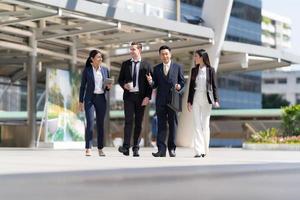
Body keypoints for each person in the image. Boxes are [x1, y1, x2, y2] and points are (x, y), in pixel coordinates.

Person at [146, 45, 185, 157]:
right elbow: (154, 85)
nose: (165, 56)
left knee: (173, 125)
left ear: (170, 54)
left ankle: (172, 149)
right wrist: (150, 82)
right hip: (161, 101)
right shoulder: (157, 68)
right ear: (160, 56)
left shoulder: (178, 67)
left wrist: (179, 86)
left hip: (174, 100)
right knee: (161, 125)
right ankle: (161, 150)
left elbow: (182, 82)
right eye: (162, 54)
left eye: (166, 53)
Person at [117, 42, 153, 157]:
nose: (131, 51)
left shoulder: (147, 65)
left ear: (140, 50)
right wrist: (124, 85)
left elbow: (151, 84)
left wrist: (148, 97)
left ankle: (136, 148)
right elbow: (120, 80)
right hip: (129, 97)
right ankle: (126, 147)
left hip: (141, 98)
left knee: (138, 123)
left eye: (133, 49)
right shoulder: (125, 64)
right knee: (128, 122)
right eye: (130, 49)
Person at [79, 49, 112, 157]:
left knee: (100, 124)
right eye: (98, 57)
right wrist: (81, 101)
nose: (101, 59)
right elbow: (82, 87)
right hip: (90, 99)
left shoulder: (105, 70)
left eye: (101, 57)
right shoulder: (87, 70)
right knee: (89, 123)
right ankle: (88, 147)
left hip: (101, 99)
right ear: (92, 59)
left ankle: (100, 148)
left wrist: (108, 87)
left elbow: (106, 87)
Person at [187, 49, 220, 158]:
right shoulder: (194, 70)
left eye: (196, 56)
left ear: (202, 57)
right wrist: (189, 101)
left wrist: (216, 100)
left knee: (205, 125)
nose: (195, 58)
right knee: (197, 124)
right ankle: (198, 151)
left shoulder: (211, 70)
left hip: (207, 99)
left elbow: (214, 86)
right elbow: (191, 87)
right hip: (196, 97)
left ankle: (205, 150)